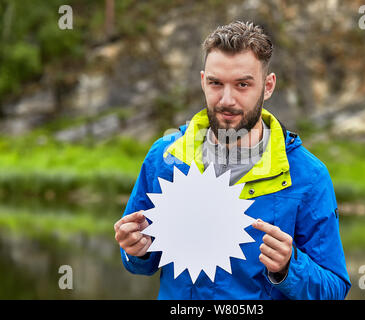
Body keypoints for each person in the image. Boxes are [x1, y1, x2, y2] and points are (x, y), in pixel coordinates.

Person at [114, 21, 351, 300]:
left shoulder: (308, 177)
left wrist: (289, 268)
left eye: (242, 84)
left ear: (268, 86)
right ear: (203, 81)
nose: (227, 100)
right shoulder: (164, 158)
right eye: (216, 83)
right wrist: (134, 251)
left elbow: (334, 289)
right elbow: (141, 263)